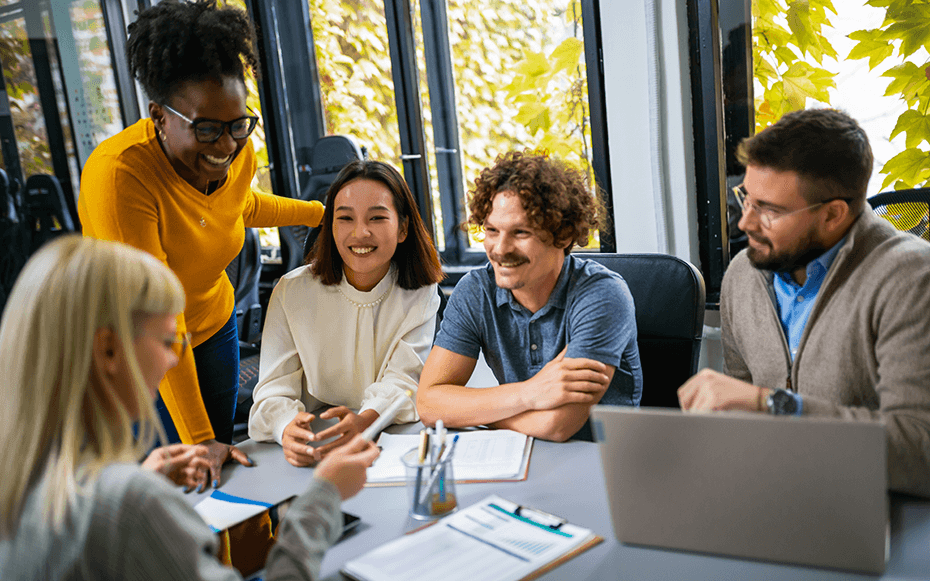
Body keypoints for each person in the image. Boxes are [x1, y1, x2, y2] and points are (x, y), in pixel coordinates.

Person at [0, 236, 379, 579]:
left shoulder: (25, 483)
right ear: (108, 350)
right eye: (168, 342)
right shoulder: (128, 504)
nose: (171, 362)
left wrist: (145, 480)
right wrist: (323, 499)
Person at [78, 0, 325, 485]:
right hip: (138, 346)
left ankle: (242, 554)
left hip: (213, 327)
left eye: (237, 125)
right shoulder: (121, 177)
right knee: (180, 478)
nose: (227, 146)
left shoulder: (236, 147)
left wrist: (323, 213)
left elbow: (236, 207)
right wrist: (197, 438)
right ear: (159, 116)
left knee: (226, 462)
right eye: (207, 128)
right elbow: (152, 312)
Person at [677, 108, 930, 498]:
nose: (745, 223)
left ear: (833, 215)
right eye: (747, 198)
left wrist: (774, 405)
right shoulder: (743, 274)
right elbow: (739, 409)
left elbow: (919, 449)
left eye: (770, 210)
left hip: (878, 506)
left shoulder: (910, 278)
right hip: (775, 495)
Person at [417, 151, 642, 442]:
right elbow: (429, 404)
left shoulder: (603, 295)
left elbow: (557, 425)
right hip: (519, 457)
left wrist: (477, 416)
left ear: (562, 235)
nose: (500, 248)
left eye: (520, 232)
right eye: (491, 230)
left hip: (603, 461)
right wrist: (531, 392)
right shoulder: (475, 291)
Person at [249, 160, 444, 465]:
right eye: (345, 218)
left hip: (388, 439)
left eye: (377, 218)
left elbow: (404, 380)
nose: (360, 232)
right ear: (330, 226)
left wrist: (365, 421)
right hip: (316, 439)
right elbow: (274, 389)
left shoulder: (420, 292)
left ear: (403, 228)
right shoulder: (291, 291)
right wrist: (286, 428)